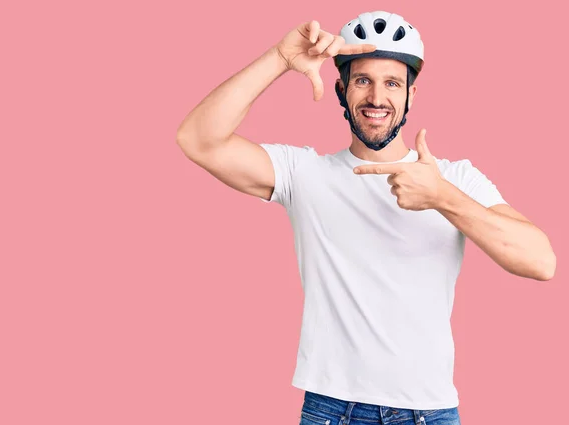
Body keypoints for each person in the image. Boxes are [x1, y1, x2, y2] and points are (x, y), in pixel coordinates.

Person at [176, 10, 556, 425]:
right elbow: (198, 139)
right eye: (363, 81)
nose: (377, 97)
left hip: (430, 411)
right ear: (341, 89)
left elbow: (541, 262)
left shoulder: (455, 178)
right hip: (332, 410)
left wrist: (442, 197)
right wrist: (281, 58)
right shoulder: (304, 174)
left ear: (412, 94)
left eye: (392, 83)